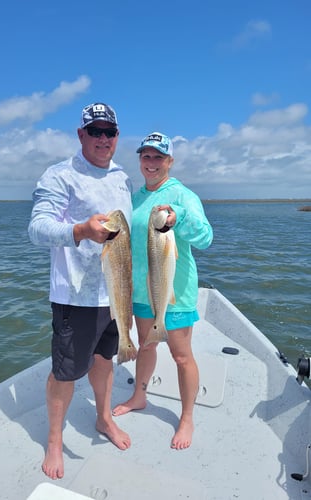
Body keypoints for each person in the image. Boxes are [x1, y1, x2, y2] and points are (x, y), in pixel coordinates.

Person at [28, 103, 132, 480]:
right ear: (81, 135)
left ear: (117, 137)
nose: (103, 139)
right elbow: (37, 229)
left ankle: (104, 418)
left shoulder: (122, 176)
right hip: (75, 297)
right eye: (96, 131)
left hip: (115, 293)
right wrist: (80, 231)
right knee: (66, 373)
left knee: (105, 362)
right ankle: (55, 439)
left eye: (110, 132)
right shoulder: (61, 175)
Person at [112, 132, 213, 450]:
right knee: (146, 347)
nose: (151, 163)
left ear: (170, 161)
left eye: (158, 157)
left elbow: (206, 238)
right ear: (139, 160)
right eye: (146, 157)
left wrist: (179, 217)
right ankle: (139, 396)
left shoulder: (182, 195)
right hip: (142, 293)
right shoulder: (135, 198)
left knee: (182, 356)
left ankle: (186, 417)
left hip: (175, 293)